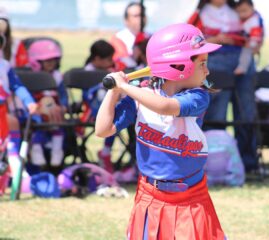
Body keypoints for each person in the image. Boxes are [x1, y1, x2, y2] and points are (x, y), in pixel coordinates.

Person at [95, 23, 225, 239]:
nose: (208, 70)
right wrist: (114, 91)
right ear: (178, 66)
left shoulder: (198, 96)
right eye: (202, 63)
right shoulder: (140, 95)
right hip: (150, 196)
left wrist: (128, 88)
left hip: (190, 198)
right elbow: (102, 129)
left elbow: (165, 107)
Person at [188, 0, 259, 173]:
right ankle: (213, 161)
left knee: (246, 112)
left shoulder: (241, 8)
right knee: (215, 112)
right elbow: (189, 41)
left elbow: (256, 33)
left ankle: (248, 162)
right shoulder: (200, 14)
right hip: (215, 61)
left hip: (243, 59)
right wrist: (215, 39)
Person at [0, 34, 38, 194]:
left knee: (6, 141)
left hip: (2, 111)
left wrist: (29, 101)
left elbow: (17, 86)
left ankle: (12, 168)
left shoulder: (5, 66)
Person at [27, 39, 68, 168]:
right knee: (39, 127)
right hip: (38, 113)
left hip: (55, 113)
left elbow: (63, 95)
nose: (51, 63)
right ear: (36, 62)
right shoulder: (32, 77)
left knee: (58, 125)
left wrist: (63, 106)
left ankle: (57, 150)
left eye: (53, 60)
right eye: (47, 60)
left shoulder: (57, 76)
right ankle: (36, 149)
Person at [82, 39, 116, 172]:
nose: (111, 62)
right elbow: (87, 97)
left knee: (113, 120)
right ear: (97, 59)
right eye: (108, 59)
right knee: (111, 119)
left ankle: (106, 152)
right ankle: (106, 153)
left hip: (108, 109)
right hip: (92, 111)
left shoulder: (107, 71)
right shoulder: (87, 73)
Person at [110, 2, 149, 70]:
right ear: (126, 20)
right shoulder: (118, 38)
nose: (140, 19)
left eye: (142, 15)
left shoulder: (150, 37)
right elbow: (125, 63)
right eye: (136, 16)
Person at [233, 0, 264, 75]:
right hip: (248, 40)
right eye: (239, 12)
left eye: (244, 11)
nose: (242, 14)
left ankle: (242, 68)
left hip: (252, 41)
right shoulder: (247, 19)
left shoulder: (254, 20)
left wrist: (251, 43)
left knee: (245, 52)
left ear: (252, 8)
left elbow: (256, 34)